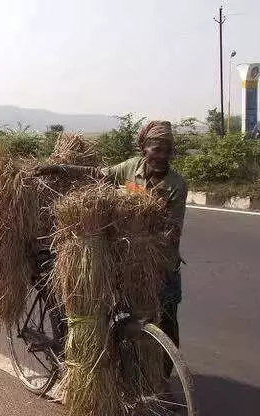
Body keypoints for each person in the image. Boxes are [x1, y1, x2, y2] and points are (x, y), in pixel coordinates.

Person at [36, 120, 187, 349]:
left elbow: (173, 231)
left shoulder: (176, 184)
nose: (162, 156)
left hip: (161, 263)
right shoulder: (130, 168)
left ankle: (165, 375)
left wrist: (146, 243)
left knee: (166, 319)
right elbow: (98, 174)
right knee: (112, 309)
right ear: (144, 149)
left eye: (168, 150)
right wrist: (59, 169)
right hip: (128, 258)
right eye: (157, 149)